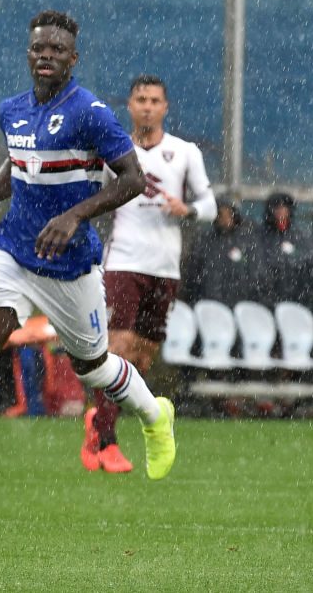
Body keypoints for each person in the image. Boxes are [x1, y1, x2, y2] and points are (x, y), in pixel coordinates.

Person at [0, 10, 177, 511]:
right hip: (14, 249)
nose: (47, 56)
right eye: (40, 48)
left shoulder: (90, 112)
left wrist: (75, 217)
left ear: (73, 59)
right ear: (28, 53)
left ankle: (153, 414)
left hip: (69, 265)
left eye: (58, 50)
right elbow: (19, 163)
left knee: (94, 367)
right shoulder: (12, 109)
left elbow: (133, 179)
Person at [81, 75, 216, 474]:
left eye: (154, 100)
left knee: (141, 356)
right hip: (124, 261)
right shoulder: (115, 150)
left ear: (165, 107)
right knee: (119, 347)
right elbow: (94, 196)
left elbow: (209, 203)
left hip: (165, 267)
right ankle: (105, 438)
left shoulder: (184, 152)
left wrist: (187, 209)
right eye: (140, 99)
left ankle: (99, 420)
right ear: (130, 105)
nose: (147, 106)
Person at [180, 198, 257, 305]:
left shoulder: (246, 242)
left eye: (229, 214)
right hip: (208, 304)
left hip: (239, 305)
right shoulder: (204, 241)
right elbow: (192, 274)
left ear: (234, 216)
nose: (225, 219)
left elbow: (254, 273)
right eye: (221, 215)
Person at [252, 192, 313, 309]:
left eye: (284, 207)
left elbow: (309, 259)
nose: (280, 211)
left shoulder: (300, 235)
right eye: (277, 208)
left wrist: (294, 255)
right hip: (268, 297)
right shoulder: (260, 235)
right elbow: (257, 264)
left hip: (297, 296)